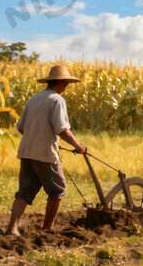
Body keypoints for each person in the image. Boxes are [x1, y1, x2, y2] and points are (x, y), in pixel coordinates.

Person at [6, 65, 87, 236]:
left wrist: (34, 137)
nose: (66, 87)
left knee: (24, 192)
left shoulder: (34, 99)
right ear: (60, 82)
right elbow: (62, 129)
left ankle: (12, 228)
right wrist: (78, 145)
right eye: (65, 83)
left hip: (27, 152)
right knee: (57, 191)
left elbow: (21, 126)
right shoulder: (57, 100)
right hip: (46, 154)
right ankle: (47, 228)